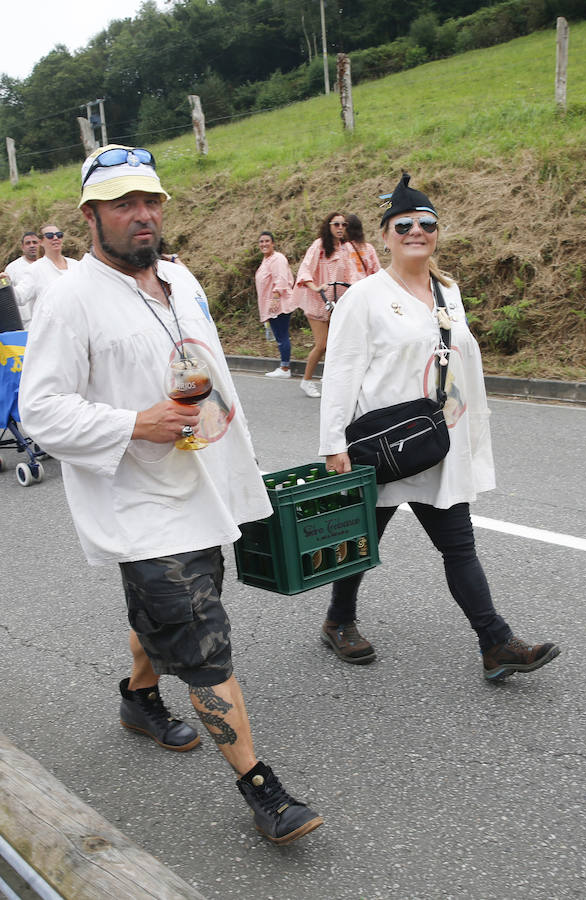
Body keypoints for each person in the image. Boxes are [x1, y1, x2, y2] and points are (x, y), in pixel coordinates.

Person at [19, 144, 323, 845]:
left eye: (151, 200)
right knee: (201, 637)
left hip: (200, 484)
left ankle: (137, 696)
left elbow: (206, 372)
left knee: (170, 615)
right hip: (137, 501)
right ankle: (262, 790)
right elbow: (40, 411)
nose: (143, 214)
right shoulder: (69, 301)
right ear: (90, 214)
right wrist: (134, 423)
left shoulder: (182, 280)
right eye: (124, 203)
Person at [318, 173, 561, 681]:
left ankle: (495, 643)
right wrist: (333, 444)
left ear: (436, 232)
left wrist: (469, 435)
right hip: (384, 446)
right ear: (385, 235)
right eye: (403, 223)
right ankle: (339, 620)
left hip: (436, 441)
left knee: (459, 545)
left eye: (426, 223)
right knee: (364, 540)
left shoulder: (448, 290)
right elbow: (340, 372)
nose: (416, 231)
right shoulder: (364, 297)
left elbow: (461, 364)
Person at [290, 212, 356, 398]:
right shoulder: (319, 245)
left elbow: (351, 274)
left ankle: (331, 381)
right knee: (323, 344)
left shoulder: (347, 247)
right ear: (328, 226)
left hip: (339, 302)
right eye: (336, 224)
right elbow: (305, 270)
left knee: (338, 345)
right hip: (318, 302)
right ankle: (307, 381)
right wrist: (315, 286)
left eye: (344, 224)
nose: (340, 228)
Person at [14, 225, 78, 327]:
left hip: (76, 327)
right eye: (49, 236)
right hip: (48, 331)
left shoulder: (76, 265)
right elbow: (19, 297)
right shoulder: (34, 269)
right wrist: (5, 285)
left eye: (59, 235)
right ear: (41, 242)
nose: (55, 238)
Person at [255, 231, 296, 378]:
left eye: (267, 241)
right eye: (261, 242)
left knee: (282, 336)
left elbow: (281, 279)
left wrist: (276, 298)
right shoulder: (266, 260)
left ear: (273, 243)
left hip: (279, 304)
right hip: (271, 304)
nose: (264, 244)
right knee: (279, 336)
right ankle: (284, 366)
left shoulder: (277, 259)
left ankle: (285, 368)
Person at [344, 214, 380, 279]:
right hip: (366, 286)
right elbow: (377, 271)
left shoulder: (343, 248)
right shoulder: (369, 248)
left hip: (350, 287)